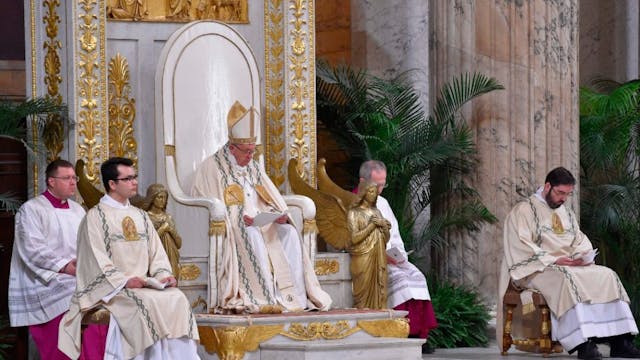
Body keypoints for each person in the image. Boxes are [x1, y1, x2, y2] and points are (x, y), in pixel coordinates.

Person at [191, 100, 332, 314]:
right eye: (247, 152)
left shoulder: (254, 165)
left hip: (262, 221)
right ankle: (263, 298)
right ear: (232, 147)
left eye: (253, 151)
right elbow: (210, 201)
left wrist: (279, 215)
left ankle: (294, 299)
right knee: (253, 235)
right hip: (236, 226)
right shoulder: (212, 167)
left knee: (290, 233)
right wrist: (240, 219)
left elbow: (271, 197)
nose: (251, 156)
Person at [59, 157, 199, 359]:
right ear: (112, 184)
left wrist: (163, 275)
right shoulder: (95, 218)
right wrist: (124, 281)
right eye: (128, 178)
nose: (135, 182)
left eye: (134, 177)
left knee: (177, 298)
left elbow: (157, 253)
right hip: (113, 289)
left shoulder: (141, 215)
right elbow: (95, 261)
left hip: (144, 284)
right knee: (145, 305)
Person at [501, 167, 640, 360]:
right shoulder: (523, 210)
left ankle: (620, 341)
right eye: (560, 193)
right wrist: (553, 259)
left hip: (568, 266)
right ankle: (583, 344)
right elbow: (520, 244)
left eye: (567, 194)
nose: (563, 199)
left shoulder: (565, 211)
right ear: (548, 186)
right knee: (566, 278)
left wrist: (582, 256)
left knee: (607, 275)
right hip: (538, 269)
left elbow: (578, 239)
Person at [8, 159, 107, 360]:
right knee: (75, 294)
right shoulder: (32, 209)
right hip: (44, 276)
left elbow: (88, 243)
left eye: (74, 178)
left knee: (106, 290)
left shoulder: (78, 210)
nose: (73, 182)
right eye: (67, 178)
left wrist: (85, 263)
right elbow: (32, 247)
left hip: (75, 272)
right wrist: (64, 267)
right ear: (51, 181)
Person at [358, 160, 438, 352]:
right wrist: (381, 255)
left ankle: (420, 334)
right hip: (371, 261)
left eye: (383, 184)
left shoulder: (383, 203)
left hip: (392, 258)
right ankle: (404, 332)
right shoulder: (352, 202)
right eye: (376, 185)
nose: (380, 189)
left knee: (417, 276)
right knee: (402, 280)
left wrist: (399, 255)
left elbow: (394, 236)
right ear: (362, 181)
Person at [347, 181, 391, 309]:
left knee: (380, 284)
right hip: (362, 256)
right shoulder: (353, 213)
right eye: (371, 191)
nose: (374, 194)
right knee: (362, 290)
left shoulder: (377, 212)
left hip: (379, 255)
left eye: (375, 192)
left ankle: (379, 313)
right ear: (363, 193)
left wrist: (384, 227)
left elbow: (385, 240)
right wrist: (372, 225)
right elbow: (354, 238)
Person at [141, 183, 182, 278]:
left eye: (165, 198)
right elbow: (146, 243)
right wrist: (162, 229)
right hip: (155, 259)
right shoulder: (146, 217)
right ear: (152, 198)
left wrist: (170, 230)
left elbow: (179, 244)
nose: (163, 200)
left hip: (171, 258)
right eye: (159, 197)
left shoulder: (168, 217)